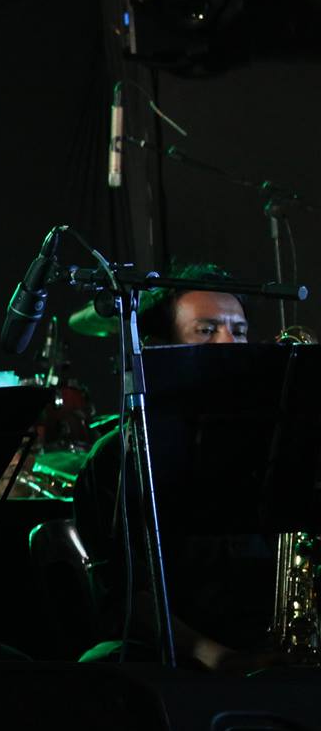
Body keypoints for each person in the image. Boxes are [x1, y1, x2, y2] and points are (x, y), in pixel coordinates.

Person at [74, 263, 273, 669]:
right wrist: (216, 657)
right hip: (178, 659)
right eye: (207, 330)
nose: (229, 343)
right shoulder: (118, 455)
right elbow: (127, 596)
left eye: (239, 331)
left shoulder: (276, 439)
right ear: (160, 347)